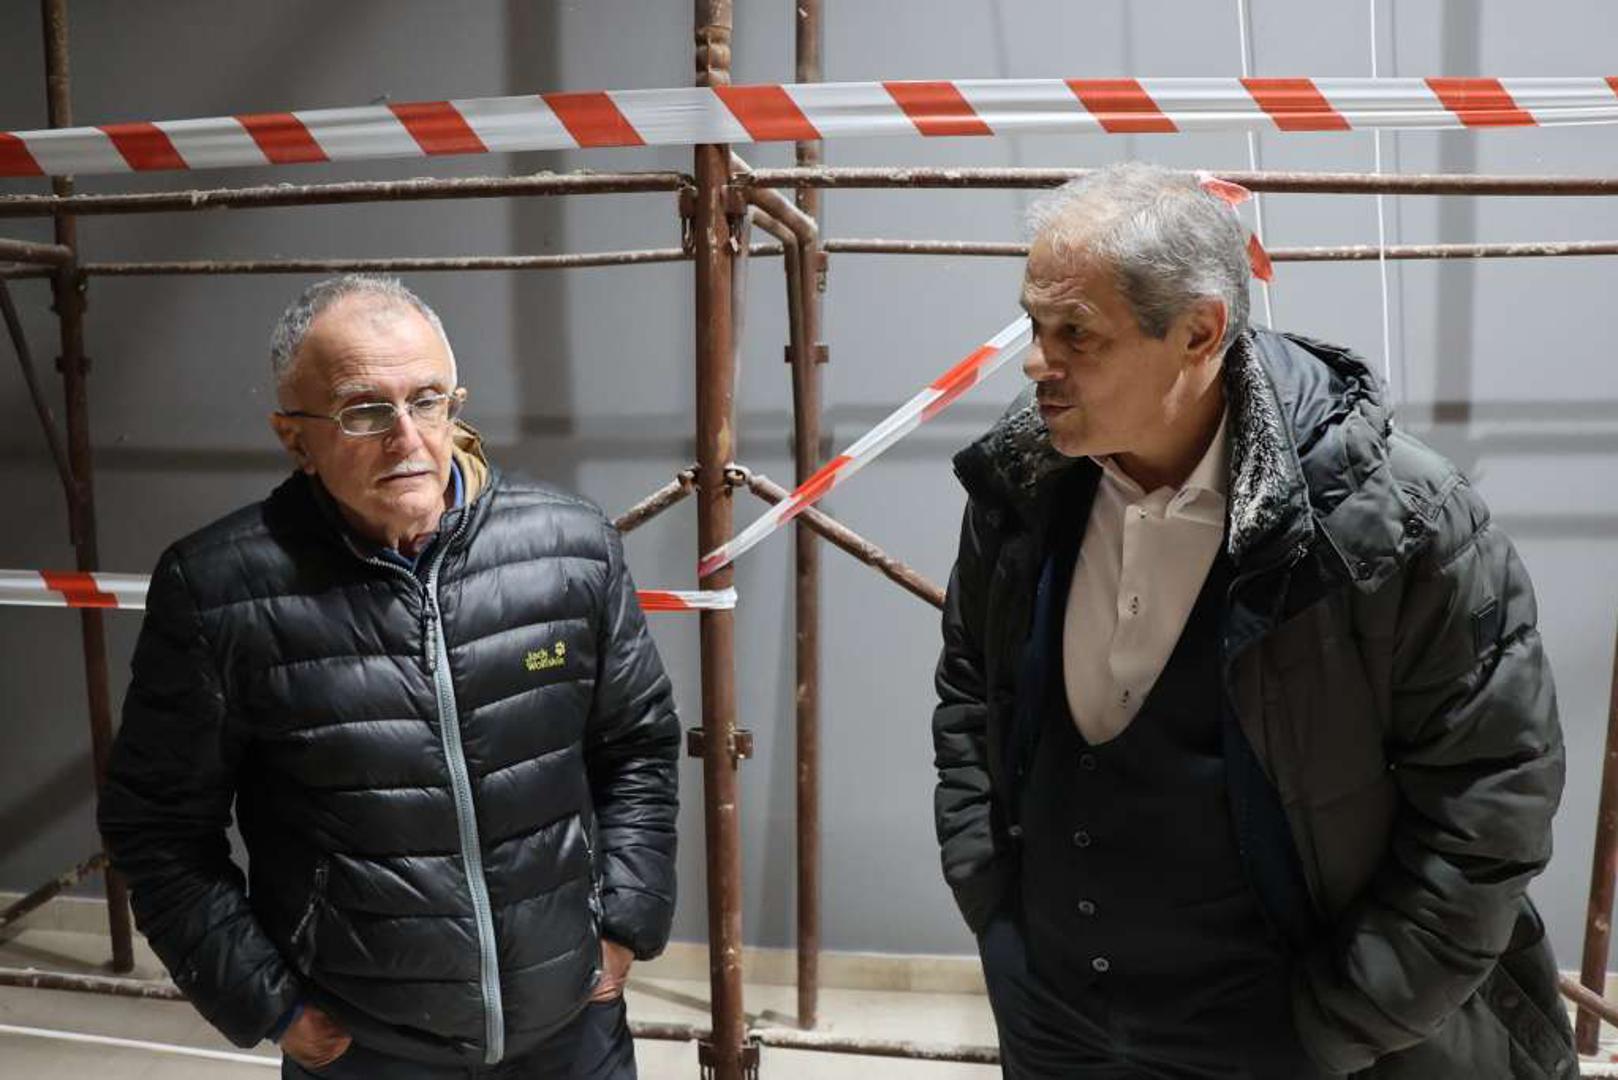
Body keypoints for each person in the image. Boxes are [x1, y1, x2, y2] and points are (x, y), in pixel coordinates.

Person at [931, 163, 1574, 1078]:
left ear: (1199, 333)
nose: (1038, 361)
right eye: (1036, 326)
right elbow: (970, 690)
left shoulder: (1395, 522)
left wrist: (1338, 1023)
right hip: (1056, 1022)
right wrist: (996, 913)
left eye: (1077, 332)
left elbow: (1492, 804)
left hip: (1289, 1038)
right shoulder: (1020, 484)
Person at [99, 275, 679, 1079]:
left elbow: (637, 748)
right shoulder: (218, 590)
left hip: (571, 1031)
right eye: (364, 412)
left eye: (428, 401)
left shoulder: (570, 546)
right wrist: (269, 1004)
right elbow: (157, 826)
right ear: (294, 437)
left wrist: (623, 927)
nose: (406, 437)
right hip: (364, 1049)